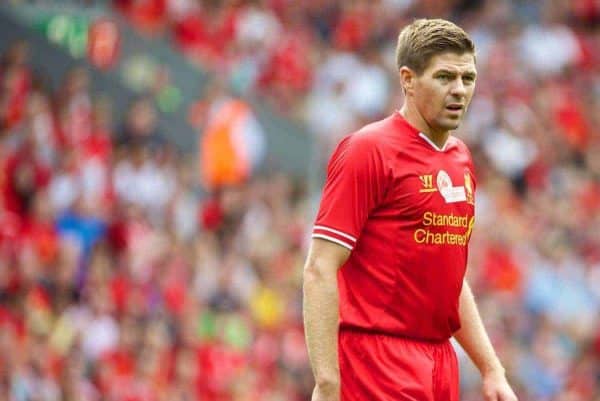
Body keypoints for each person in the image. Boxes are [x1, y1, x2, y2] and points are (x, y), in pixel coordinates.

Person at [303, 18, 518, 401]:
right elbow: (320, 267)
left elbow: (448, 281)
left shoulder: (461, 160)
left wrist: (490, 368)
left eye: (468, 79)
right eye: (444, 77)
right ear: (408, 79)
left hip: (439, 363)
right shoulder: (368, 150)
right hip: (376, 361)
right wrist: (328, 382)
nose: (459, 91)